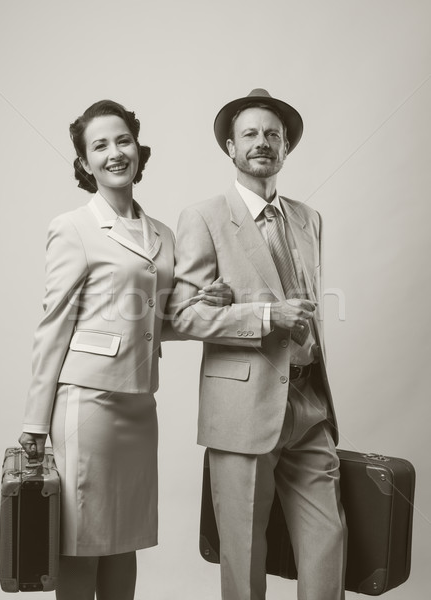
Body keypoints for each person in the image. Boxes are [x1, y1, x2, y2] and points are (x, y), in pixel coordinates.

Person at [18, 99, 231, 600]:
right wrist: (34, 423)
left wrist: (205, 299)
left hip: (140, 404)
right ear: (84, 163)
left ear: (138, 149)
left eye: (123, 141)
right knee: (81, 540)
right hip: (86, 403)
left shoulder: (163, 233)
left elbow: (159, 322)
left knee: (123, 539)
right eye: (100, 145)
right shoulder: (73, 227)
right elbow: (53, 325)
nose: (115, 153)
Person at [168, 88, 347, 600]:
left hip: (309, 404)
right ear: (230, 146)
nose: (262, 142)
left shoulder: (308, 218)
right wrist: (267, 315)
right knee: (243, 553)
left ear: (286, 147)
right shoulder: (202, 217)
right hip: (242, 411)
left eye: (273, 134)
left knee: (326, 541)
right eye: (250, 134)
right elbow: (185, 314)